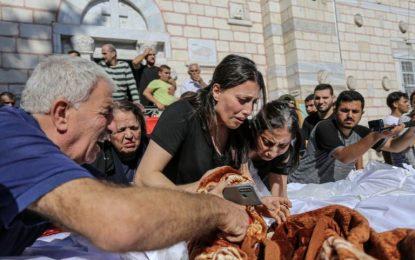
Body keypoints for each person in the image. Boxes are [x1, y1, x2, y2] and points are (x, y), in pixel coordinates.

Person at [0, 55, 249, 256]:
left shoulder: (68, 163)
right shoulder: (9, 134)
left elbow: (140, 202)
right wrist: (218, 210)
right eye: (105, 112)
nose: (112, 126)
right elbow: (118, 223)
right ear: (62, 114)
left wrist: (207, 192)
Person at [135, 54, 264, 191]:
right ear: (217, 91)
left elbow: (244, 179)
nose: (249, 110)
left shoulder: (240, 127)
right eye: (242, 100)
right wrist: (201, 191)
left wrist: (260, 202)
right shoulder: (182, 114)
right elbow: (144, 177)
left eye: (254, 102)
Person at [288, 90, 415, 184]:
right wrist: (376, 135)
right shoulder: (324, 127)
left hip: (329, 189)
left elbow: (394, 147)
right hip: (301, 186)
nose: (350, 115)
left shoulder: (362, 131)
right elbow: (344, 156)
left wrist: (413, 130)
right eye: (344, 110)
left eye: (355, 112)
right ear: (335, 110)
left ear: (361, 114)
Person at [247, 100, 301, 198]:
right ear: (256, 131)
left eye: (282, 146)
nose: (273, 153)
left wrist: (280, 206)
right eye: (267, 143)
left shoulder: (284, 153)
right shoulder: (240, 142)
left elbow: (279, 195)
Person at [88, 100, 149, 184]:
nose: (129, 135)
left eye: (134, 128)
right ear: (107, 134)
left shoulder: (152, 149)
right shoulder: (96, 159)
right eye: (121, 130)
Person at [382, 91, 410, 165]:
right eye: (405, 102)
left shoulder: (407, 119)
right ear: (395, 104)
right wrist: (390, 165)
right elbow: (385, 147)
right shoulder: (388, 122)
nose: (408, 104)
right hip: (398, 165)